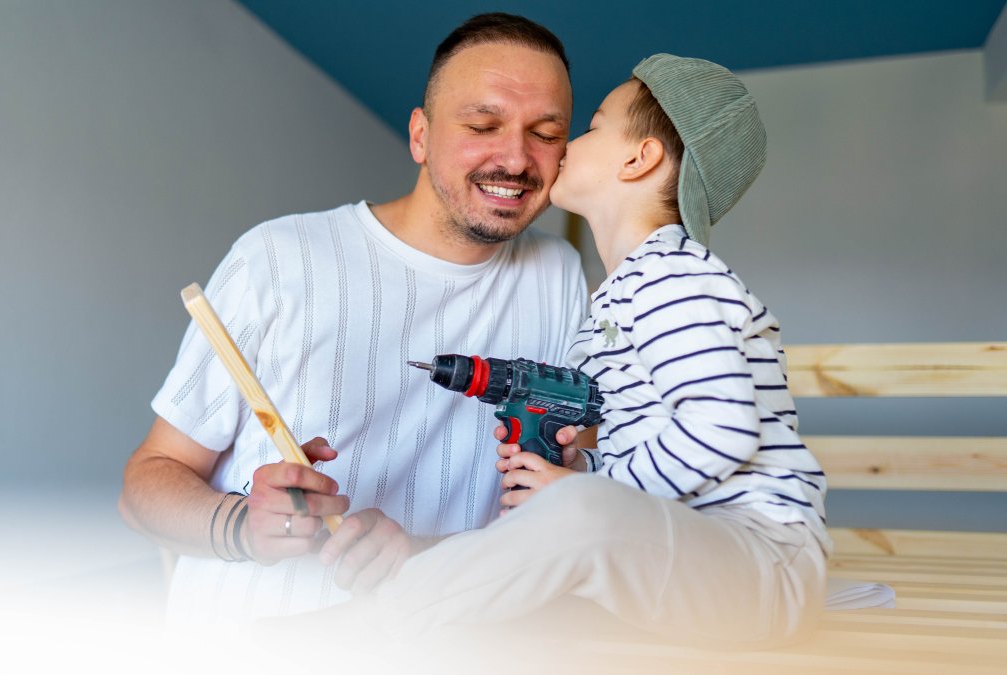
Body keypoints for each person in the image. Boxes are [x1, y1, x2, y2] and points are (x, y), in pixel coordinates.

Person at [118, 13, 587, 623]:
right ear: (420, 136)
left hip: (437, 644)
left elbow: (566, 499)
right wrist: (241, 525)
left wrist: (417, 555)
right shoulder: (276, 258)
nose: (518, 159)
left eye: (546, 134)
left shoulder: (559, 273)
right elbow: (145, 485)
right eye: (482, 126)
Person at [357, 54, 832, 649]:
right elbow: (646, 458)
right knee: (537, 589)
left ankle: (359, 632)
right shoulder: (618, 297)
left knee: (575, 519)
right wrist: (582, 470)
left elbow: (723, 429)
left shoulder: (673, 276)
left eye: (591, 127)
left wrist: (584, 494)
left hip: (761, 562)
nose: (565, 146)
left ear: (639, 158)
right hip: (673, 555)